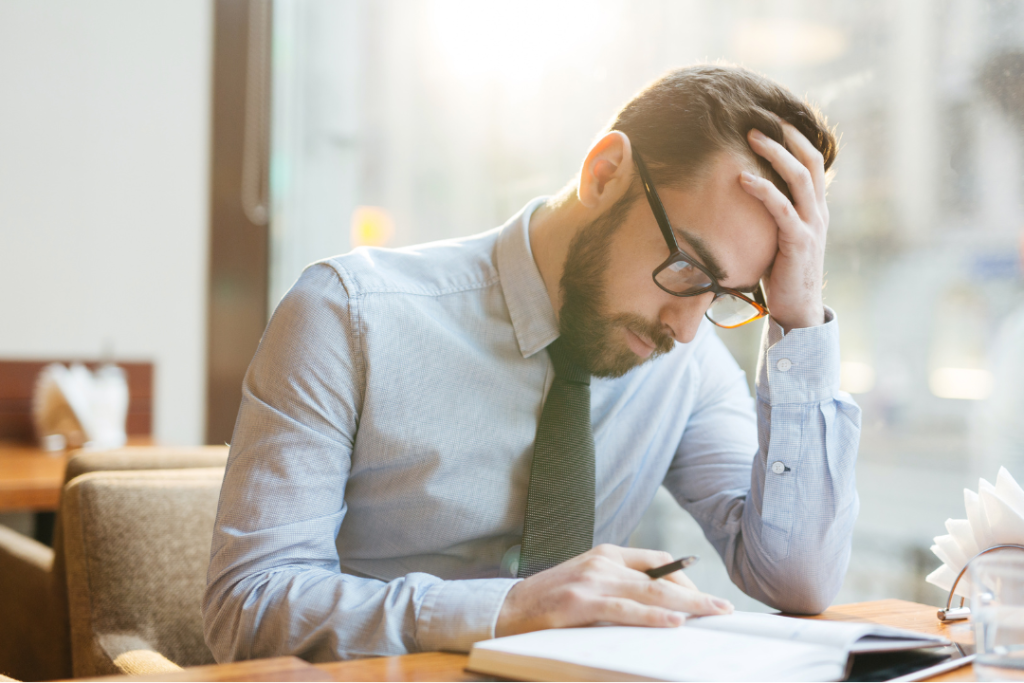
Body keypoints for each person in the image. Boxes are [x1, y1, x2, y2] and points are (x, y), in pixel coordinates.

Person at [202, 64, 861, 662]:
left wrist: (797, 320)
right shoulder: (349, 316)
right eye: (688, 269)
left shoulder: (684, 366)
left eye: (725, 295)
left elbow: (796, 576)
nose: (686, 329)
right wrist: (511, 608)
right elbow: (248, 608)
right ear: (604, 174)